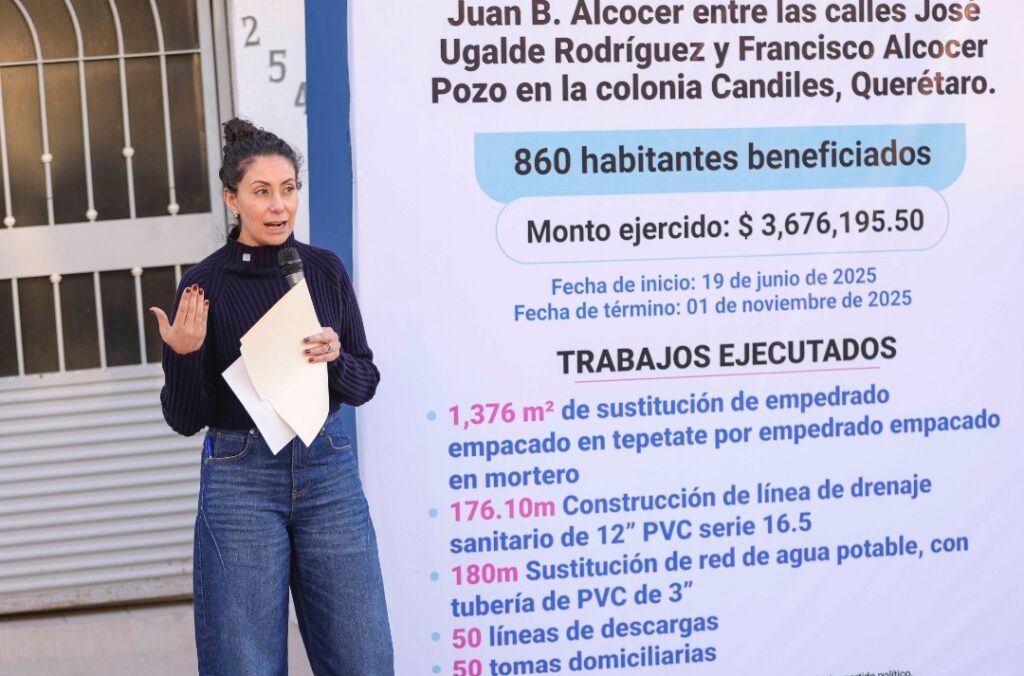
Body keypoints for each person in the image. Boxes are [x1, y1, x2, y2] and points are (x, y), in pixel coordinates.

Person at [150, 118, 394, 675]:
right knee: (245, 663)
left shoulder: (323, 270)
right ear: (231, 199)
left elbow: (366, 382)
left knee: (365, 656)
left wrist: (337, 360)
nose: (279, 206)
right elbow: (185, 419)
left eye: (288, 189)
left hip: (327, 470)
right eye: (261, 192)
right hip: (241, 480)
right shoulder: (204, 286)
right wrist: (183, 354)